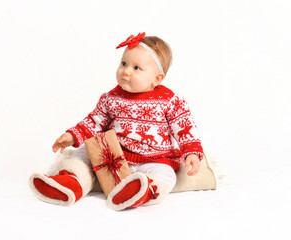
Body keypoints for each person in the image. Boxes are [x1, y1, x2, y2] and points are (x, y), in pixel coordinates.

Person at [29, 32, 204, 210]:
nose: (126, 71)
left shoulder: (170, 100)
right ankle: (70, 182)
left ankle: (144, 190)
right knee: (84, 153)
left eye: (136, 68)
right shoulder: (111, 98)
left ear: (157, 79)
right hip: (113, 156)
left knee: (167, 176)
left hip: (154, 159)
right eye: (124, 63)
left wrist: (191, 152)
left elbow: (184, 126)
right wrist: (73, 136)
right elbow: (95, 121)